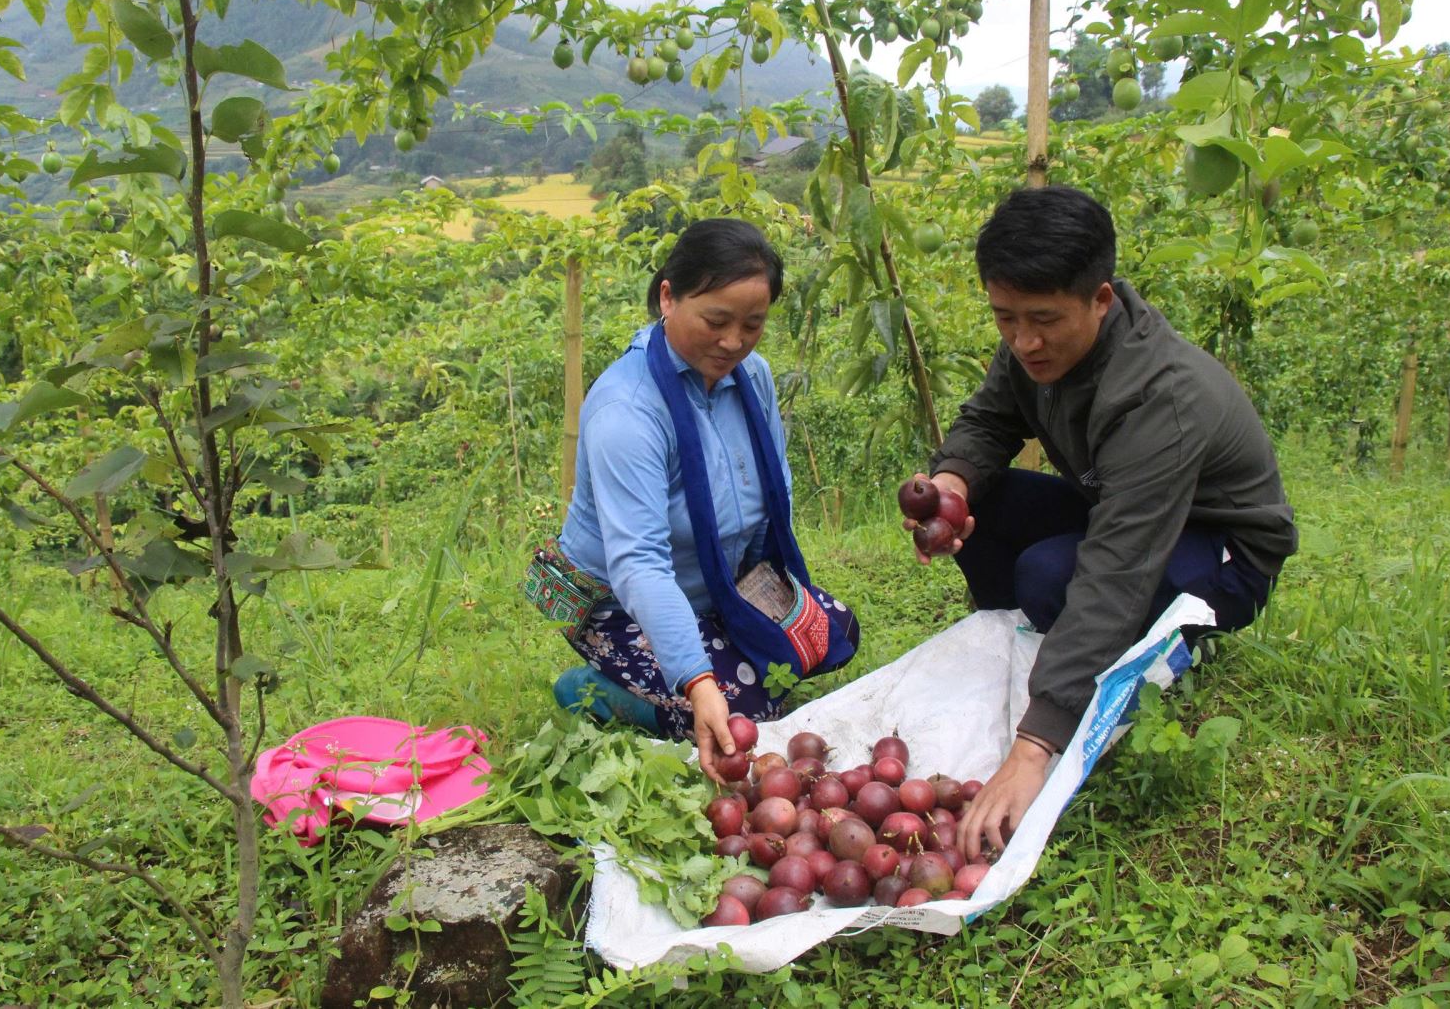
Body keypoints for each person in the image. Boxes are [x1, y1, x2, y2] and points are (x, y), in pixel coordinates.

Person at [911, 187, 1297, 861]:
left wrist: (1036, 746)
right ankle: (1046, 647)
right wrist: (950, 484)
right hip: (1124, 507)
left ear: (1101, 299)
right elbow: (988, 423)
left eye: (1043, 320)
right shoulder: (1033, 346)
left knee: (1052, 577)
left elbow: (1117, 568)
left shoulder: (1161, 396)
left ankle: (1172, 648)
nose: (1024, 340)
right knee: (986, 500)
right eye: (1005, 318)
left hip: (1226, 549)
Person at [529, 218, 859, 783]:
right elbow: (639, 565)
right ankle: (595, 692)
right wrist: (697, 680)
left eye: (752, 324)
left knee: (835, 633)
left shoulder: (751, 378)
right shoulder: (626, 410)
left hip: (721, 585)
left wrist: (765, 597)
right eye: (716, 321)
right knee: (743, 710)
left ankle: (708, 659)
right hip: (623, 605)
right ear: (668, 297)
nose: (733, 342)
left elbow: (770, 488)